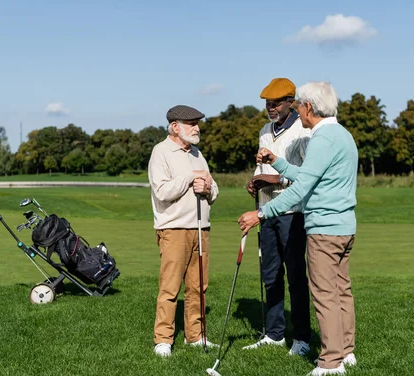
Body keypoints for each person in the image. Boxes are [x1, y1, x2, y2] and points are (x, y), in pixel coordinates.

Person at [238, 82, 358, 376]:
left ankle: (330, 362)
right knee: (341, 290)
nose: (300, 112)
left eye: (301, 106)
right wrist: (277, 161)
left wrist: (261, 213)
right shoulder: (342, 135)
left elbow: (301, 187)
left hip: (324, 229)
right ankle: (346, 352)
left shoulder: (321, 139)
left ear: (308, 108)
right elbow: (307, 175)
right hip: (344, 227)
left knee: (325, 294)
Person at [243, 77, 312, 356]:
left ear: (290, 103)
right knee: (270, 275)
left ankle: (303, 339)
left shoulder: (303, 131)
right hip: (265, 213)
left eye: (276, 103)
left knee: (296, 276)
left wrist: (276, 179)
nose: (270, 108)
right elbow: (262, 169)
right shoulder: (263, 130)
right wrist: (255, 181)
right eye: (267, 104)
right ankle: (274, 334)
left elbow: (308, 177)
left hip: (293, 213)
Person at [148, 104, 219, 358]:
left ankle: (195, 336)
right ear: (175, 127)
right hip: (174, 229)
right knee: (170, 288)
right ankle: (163, 339)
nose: (197, 128)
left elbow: (214, 189)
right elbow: (162, 191)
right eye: (191, 123)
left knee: (198, 286)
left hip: (201, 228)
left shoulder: (198, 154)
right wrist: (190, 177)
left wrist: (207, 188)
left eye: (198, 123)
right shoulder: (161, 152)